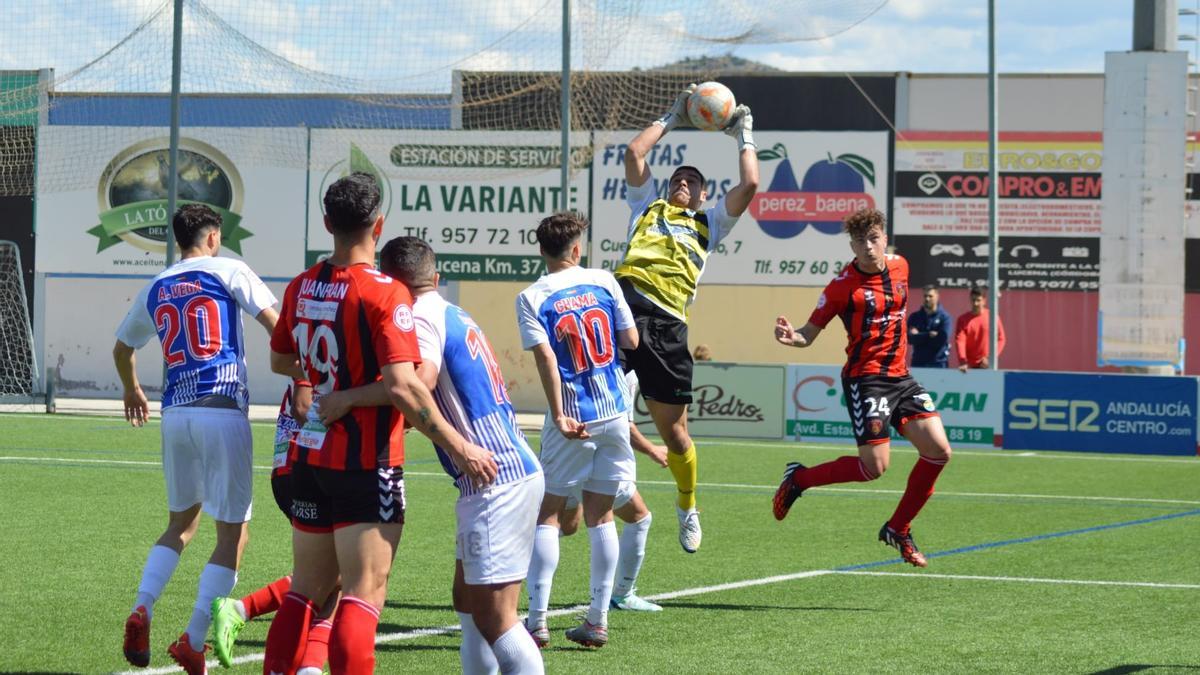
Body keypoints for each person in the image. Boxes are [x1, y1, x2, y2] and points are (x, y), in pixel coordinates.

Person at [262, 172, 498, 675]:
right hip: (365, 464)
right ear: (379, 223)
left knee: (305, 588)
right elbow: (405, 386)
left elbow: (280, 360)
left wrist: (319, 381)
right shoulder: (387, 293)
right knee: (364, 590)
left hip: (308, 457)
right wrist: (461, 446)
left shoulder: (302, 285)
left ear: (327, 223)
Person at [315, 236, 546, 674]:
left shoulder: (418, 317)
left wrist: (347, 398)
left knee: (496, 615)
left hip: (493, 475)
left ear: (390, 281)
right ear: (434, 277)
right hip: (503, 471)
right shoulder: (452, 310)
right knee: (467, 599)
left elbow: (415, 382)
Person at [114, 203, 278, 673]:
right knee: (234, 533)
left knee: (181, 524)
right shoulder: (230, 269)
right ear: (212, 236)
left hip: (177, 414)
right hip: (222, 409)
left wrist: (132, 388)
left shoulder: (160, 283)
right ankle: (193, 638)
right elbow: (275, 324)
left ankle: (142, 605)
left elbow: (122, 347)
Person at [616, 84, 759, 553]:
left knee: (675, 434)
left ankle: (687, 505)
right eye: (678, 177)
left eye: (692, 181)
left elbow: (750, 186)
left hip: (668, 324)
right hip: (623, 305)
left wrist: (744, 136)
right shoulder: (646, 206)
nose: (683, 182)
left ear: (702, 195)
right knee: (592, 407)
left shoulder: (710, 224)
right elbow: (635, 151)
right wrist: (673, 117)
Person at [771, 208, 953, 568]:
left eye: (873, 239)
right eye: (859, 241)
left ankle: (899, 527)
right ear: (851, 245)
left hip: (901, 378)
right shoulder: (842, 287)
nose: (868, 247)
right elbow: (809, 333)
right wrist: (793, 338)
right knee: (874, 468)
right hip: (866, 380)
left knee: (939, 452)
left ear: (884, 237)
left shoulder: (901, 266)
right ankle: (799, 479)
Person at [517, 211, 639, 649]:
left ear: (542, 251)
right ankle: (597, 619)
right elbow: (631, 341)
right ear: (576, 249)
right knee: (600, 515)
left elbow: (547, 359)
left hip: (573, 414)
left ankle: (536, 621)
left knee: (548, 514)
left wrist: (558, 411)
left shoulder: (531, 297)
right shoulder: (604, 281)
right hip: (612, 410)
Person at [210, 383, 338, 675]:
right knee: (331, 572)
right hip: (307, 467)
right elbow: (304, 407)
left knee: (336, 575)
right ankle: (240, 609)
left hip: (293, 467)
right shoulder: (321, 347)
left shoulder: (315, 345)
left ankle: (310, 669)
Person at [558, 372, 669, 613]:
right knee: (637, 517)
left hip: (561, 448)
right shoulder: (622, 369)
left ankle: (507, 580)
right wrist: (652, 450)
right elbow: (622, 424)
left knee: (564, 526)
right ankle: (619, 596)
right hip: (595, 453)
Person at [955, 285, 1006, 371]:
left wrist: (990, 358)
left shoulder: (993, 317)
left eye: (978, 300)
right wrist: (963, 361)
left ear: (984, 301)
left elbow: (1001, 339)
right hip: (969, 368)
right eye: (973, 300)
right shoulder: (962, 319)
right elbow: (960, 341)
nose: (975, 303)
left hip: (987, 366)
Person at [907, 285, 951, 368]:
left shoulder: (945, 318)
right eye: (925, 296)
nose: (927, 299)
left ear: (937, 296)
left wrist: (919, 335)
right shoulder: (915, 317)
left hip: (938, 364)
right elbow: (909, 338)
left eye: (930, 296)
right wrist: (929, 335)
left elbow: (941, 340)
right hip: (918, 364)